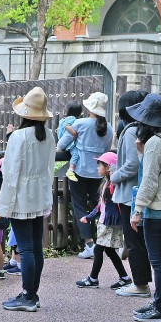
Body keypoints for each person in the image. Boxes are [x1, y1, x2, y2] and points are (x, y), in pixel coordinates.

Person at [0, 87, 56, 312]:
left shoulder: (18, 137)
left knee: (26, 249)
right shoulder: (49, 135)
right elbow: (50, 168)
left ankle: (27, 296)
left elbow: (10, 173)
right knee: (36, 248)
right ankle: (32, 293)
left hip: (21, 197)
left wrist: (4, 206)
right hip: (39, 195)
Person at [127, 93, 161, 322]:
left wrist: (137, 210)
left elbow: (149, 181)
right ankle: (159, 303)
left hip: (156, 209)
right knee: (159, 260)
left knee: (157, 261)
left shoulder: (154, 143)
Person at [57, 92, 114, 259]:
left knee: (80, 207)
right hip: (99, 173)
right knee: (102, 206)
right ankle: (107, 241)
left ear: (90, 107)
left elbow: (61, 144)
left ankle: (89, 244)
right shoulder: (109, 127)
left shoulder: (80, 123)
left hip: (79, 171)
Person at [111, 91, 153, 298]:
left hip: (130, 194)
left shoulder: (130, 131)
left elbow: (132, 164)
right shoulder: (146, 129)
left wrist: (113, 176)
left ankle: (140, 284)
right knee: (140, 241)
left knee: (134, 242)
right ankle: (142, 281)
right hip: (141, 193)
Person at [75, 152, 131, 290]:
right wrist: (89, 216)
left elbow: (109, 205)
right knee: (110, 251)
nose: (97, 168)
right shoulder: (107, 183)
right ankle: (124, 277)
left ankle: (93, 279)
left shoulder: (113, 184)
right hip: (106, 222)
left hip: (109, 223)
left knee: (99, 249)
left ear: (108, 167)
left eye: (99, 165)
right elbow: (101, 205)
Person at [57, 100, 83, 182]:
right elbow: (68, 129)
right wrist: (74, 134)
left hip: (64, 145)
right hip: (69, 144)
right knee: (75, 155)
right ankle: (71, 170)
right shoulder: (73, 120)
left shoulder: (65, 120)